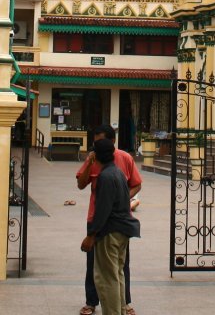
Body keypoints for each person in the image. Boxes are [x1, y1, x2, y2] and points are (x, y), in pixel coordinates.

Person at [77, 124, 141, 315]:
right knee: (112, 272)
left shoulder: (110, 173)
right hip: (120, 225)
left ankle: (116, 309)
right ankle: (107, 305)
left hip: (107, 227)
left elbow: (104, 209)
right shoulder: (114, 171)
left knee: (109, 276)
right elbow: (81, 183)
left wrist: (92, 235)